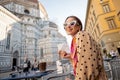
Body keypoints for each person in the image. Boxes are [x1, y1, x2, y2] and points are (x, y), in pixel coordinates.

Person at [58, 16, 108, 80]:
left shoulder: (82, 35)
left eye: (72, 23)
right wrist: (70, 57)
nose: (68, 26)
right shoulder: (75, 41)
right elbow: (79, 65)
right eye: (65, 24)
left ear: (79, 26)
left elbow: (87, 68)